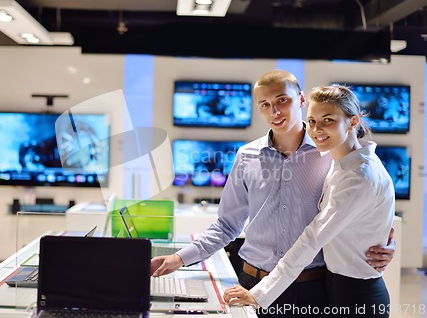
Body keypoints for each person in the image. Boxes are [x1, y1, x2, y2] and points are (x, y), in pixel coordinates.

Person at [151, 70, 395, 317]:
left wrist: (381, 242)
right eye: (265, 104)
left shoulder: (330, 155)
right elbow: (226, 226)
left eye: (282, 100)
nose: (274, 112)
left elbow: (349, 212)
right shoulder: (246, 156)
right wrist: (179, 259)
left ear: (301, 99)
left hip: (311, 288)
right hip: (251, 281)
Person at [223, 85, 395, 317]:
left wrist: (259, 294)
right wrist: (386, 239)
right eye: (312, 121)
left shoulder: (359, 177)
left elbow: (312, 239)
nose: (316, 130)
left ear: (353, 122)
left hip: (357, 296)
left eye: (328, 120)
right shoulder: (341, 160)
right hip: (333, 285)